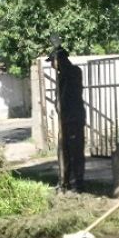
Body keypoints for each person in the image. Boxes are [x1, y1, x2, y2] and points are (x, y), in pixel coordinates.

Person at [47, 46, 85, 192]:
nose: (51, 65)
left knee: (75, 152)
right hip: (64, 120)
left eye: (53, 61)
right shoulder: (61, 75)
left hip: (73, 119)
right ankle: (64, 182)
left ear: (59, 60)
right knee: (64, 152)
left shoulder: (73, 72)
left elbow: (66, 96)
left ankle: (78, 184)